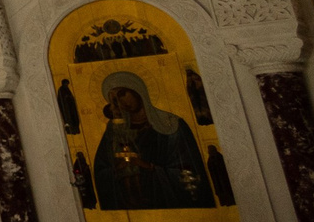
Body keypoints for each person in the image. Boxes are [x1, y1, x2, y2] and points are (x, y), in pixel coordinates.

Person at [88, 71, 218, 213]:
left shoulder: (171, 125)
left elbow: (189, 170)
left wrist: (147, 166)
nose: (120, 102)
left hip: (170, 205)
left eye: (122, 94)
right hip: (133, 209)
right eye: (114, 100)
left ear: (137, 89)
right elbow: (101, 171)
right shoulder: (115, 131)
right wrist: (118, 169)